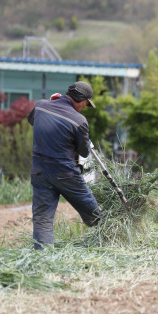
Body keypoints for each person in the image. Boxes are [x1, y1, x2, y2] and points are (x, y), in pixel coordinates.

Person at [27, 81, 101, 250]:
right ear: (81, 99)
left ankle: (42, 255)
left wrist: (52, 106)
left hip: (39, 171)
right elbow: (84, 152)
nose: (84, 107)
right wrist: (86, 142)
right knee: (91, 209)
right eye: (86, 104)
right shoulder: (79, 120)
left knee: (42, 217)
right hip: (65, 173)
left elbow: (34, 121)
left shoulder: (41, 106)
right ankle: (111, 236)